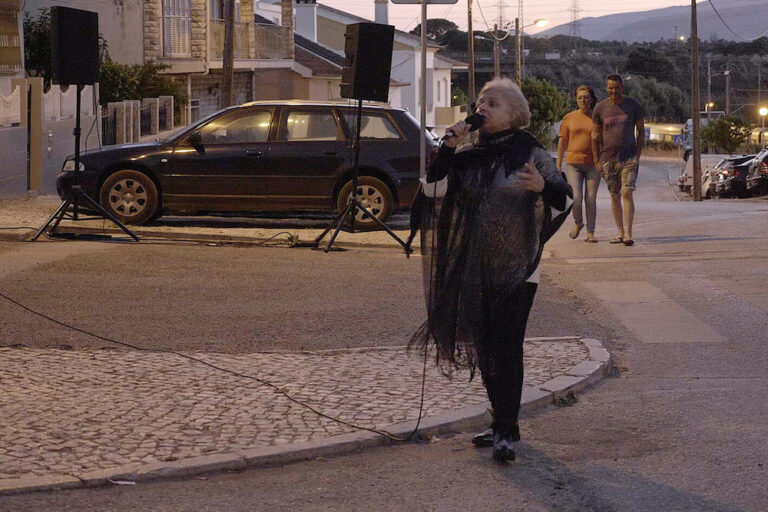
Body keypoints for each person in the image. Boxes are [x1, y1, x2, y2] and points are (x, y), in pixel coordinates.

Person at [410, 78, 571, 463]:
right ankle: (503, 422)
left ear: (513, 114)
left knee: (507, 345)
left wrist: (541, 187)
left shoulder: (529, 151)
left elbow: (565, 199)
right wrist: (448, 148)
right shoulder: (468, 155)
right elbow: (433, 192)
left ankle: (505, 429)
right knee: (485, 346)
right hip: (477, 266)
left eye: (493, 103)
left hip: (519, 269)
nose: (482, 108)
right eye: (480, 102)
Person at [591, 74, 645, 246]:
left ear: (622, 87)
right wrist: (596, 160)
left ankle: (629, 233)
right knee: (614, 196)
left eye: (616, 87)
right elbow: (594, 136)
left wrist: (637, 153)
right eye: (610, 88)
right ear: (606, 88)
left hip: (629, 157)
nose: (613, 91)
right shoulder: (600, 108)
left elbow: (641, 131)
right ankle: (620, 232)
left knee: (626, 192)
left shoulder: (633, 104)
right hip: (608, 159)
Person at [557, 85, 600, 243]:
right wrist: (558, 162)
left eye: (586, 97)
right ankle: (578, 222)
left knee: (591, 199)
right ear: (576, 99)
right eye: (580, 97)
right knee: (576, 197)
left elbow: (604, 139)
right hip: (573, 164)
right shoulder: (569, 117)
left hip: (593, 165)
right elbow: (562, 141)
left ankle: (590, 232)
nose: (583, 100)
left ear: (591, 99)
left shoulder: (597, 117)